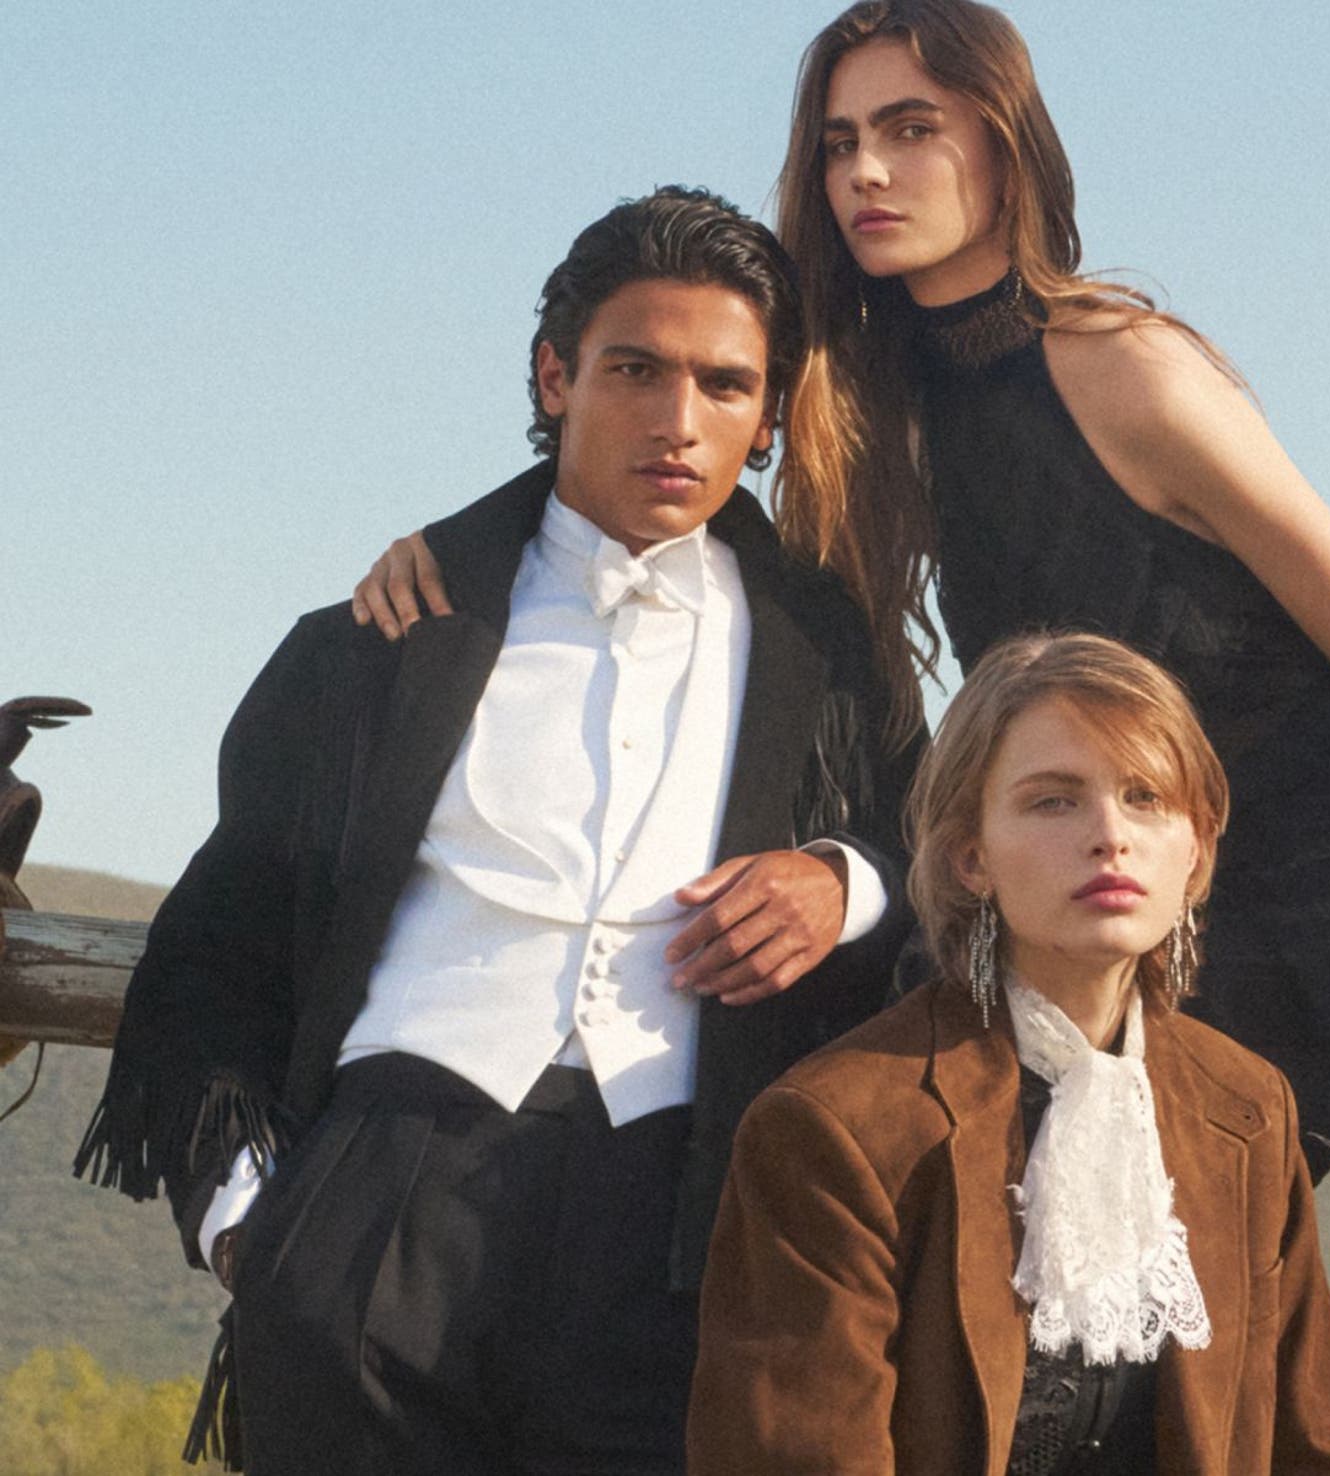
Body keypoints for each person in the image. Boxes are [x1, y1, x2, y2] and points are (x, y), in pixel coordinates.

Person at [357, 0, 1330, 1182]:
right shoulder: (865, 409)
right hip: (1084, 878)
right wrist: (475, 544)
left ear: (1004, 147)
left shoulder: (1126, 365)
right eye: (840, 141)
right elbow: (666, 473)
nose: (863, 171)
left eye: (911, 131)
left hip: (1290, 891)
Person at [76, 188, 920, 1474]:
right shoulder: (386, 639)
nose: (676, 420)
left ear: (764, 417)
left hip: (682, 1228)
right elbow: (218, 944)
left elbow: (945, 853)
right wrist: (249, 1226)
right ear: (554, 373)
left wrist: (841, 883)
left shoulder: (831, 657)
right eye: (634, 369)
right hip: (377, 1202)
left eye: (723, 383)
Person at [686, 631, 1330, 1474]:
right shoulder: (836, 1129)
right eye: (1053, 801)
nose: (1109, 836)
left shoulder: (1246, 1107)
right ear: (970, 856)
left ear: (1195, 852)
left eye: (1146, 798)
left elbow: (1326, 1445)